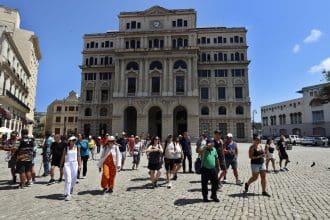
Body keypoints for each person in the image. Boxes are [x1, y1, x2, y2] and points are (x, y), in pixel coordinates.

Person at [60, 136, 81, 201]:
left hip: (75, 164)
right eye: (72, 140)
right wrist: (61, 165)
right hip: (67, 164)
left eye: (74, 140)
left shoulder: (77, 147)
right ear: (69, 141)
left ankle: (69, 189)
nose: (73, 141)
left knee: (74, 180)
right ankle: (68, 194)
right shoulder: (66, 148)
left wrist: (80, 165)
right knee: (68, 179)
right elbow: (63, 157)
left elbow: (79, 156)